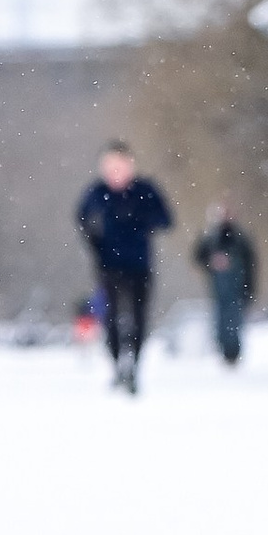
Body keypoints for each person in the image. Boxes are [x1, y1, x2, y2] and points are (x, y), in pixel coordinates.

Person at [75, 143, 174, 393]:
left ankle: (134, 367)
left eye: (120, 166)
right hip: (108, 265)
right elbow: (82, 218)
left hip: (139, 264)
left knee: (139, 316)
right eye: (110, 167)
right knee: (111, 316)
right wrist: (94, 238)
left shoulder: (145, 190)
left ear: (131, 165)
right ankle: (118, 364)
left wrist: (143, 221)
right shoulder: (97, 192)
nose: (115, 172)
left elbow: (166, 220)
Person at [192, 203, 256, 366]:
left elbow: (251, 264)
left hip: (237, 288)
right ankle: (224, 351)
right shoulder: (210, 237)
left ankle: (233, 352)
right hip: (219, 288)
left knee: (234, 318)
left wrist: (249, 287)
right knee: (221, 317)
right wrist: (213, 263)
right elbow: (198, 257)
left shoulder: (240, 238)